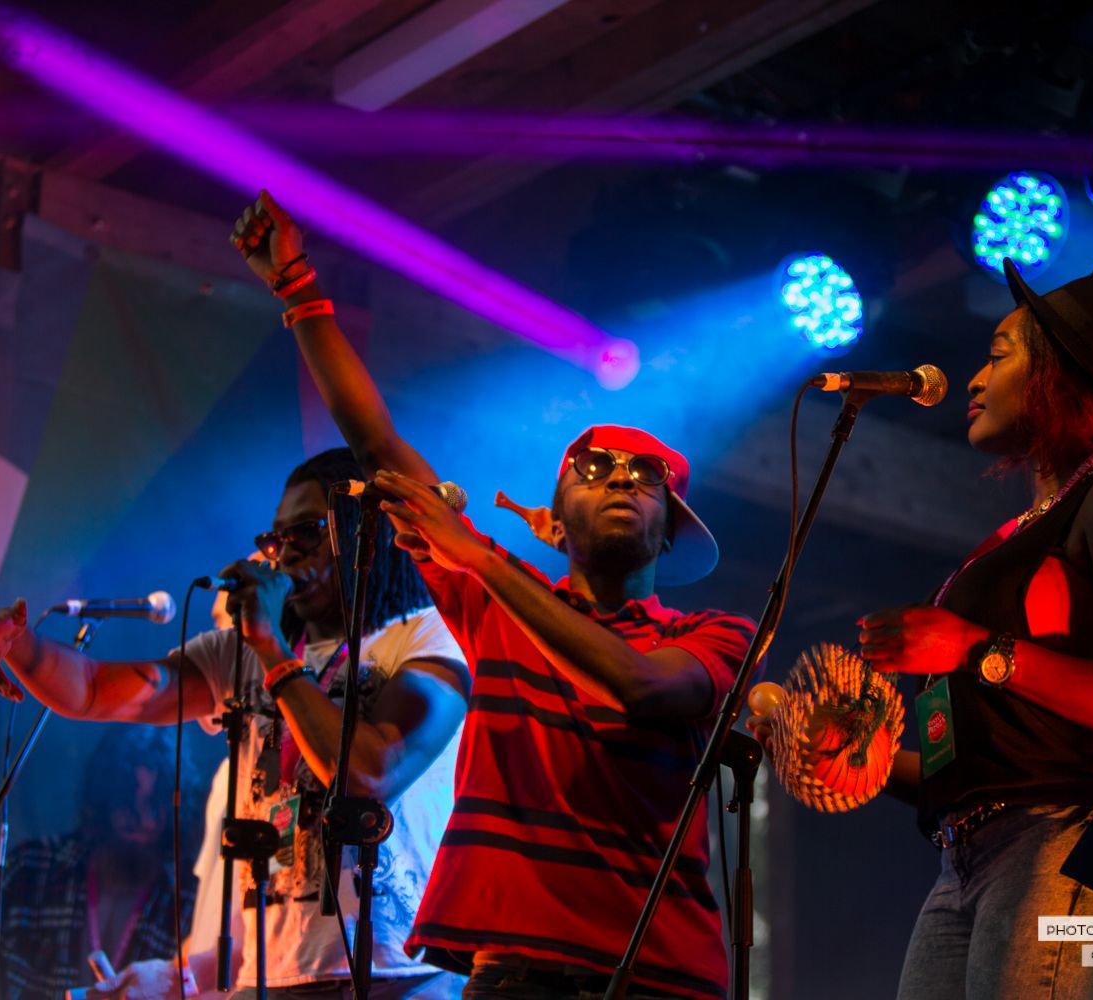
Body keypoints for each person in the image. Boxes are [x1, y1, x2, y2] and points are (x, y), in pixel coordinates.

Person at [231, 191, 756, 1000]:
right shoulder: (490, 601)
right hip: (511, 973)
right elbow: (375, 444)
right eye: (594, 468)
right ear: (555, 518)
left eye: (646, 477)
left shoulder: (715, 634)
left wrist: (477, 555)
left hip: (656, 976)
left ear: (668, 533)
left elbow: (641, 686)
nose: (620, 478)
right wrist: (298, 287)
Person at [0, 448, 470, 1000]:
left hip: (399, 975)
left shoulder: (425, 639)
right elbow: (92, 690)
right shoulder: (241, 653)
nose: (280, 556)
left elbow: (369, 774)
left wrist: (273, 653)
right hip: (274, 974)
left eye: (304, 533)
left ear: (358, 533)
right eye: (273, 541)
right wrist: (20, 647)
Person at [851, 259, 1093, 999]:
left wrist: (975, 649)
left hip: (1074, 841)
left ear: (1060, 372)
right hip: (967, 856)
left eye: (999, 353)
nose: (974, 379)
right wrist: (861, 759)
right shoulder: (1012, 537)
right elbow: (976, 762)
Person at [0, 725, 205, 1000]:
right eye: (126, 801)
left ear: (177, 807)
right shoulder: (33, 870)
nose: (139, 819)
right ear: (104, 799)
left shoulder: (186, 901)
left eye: (153, 804)